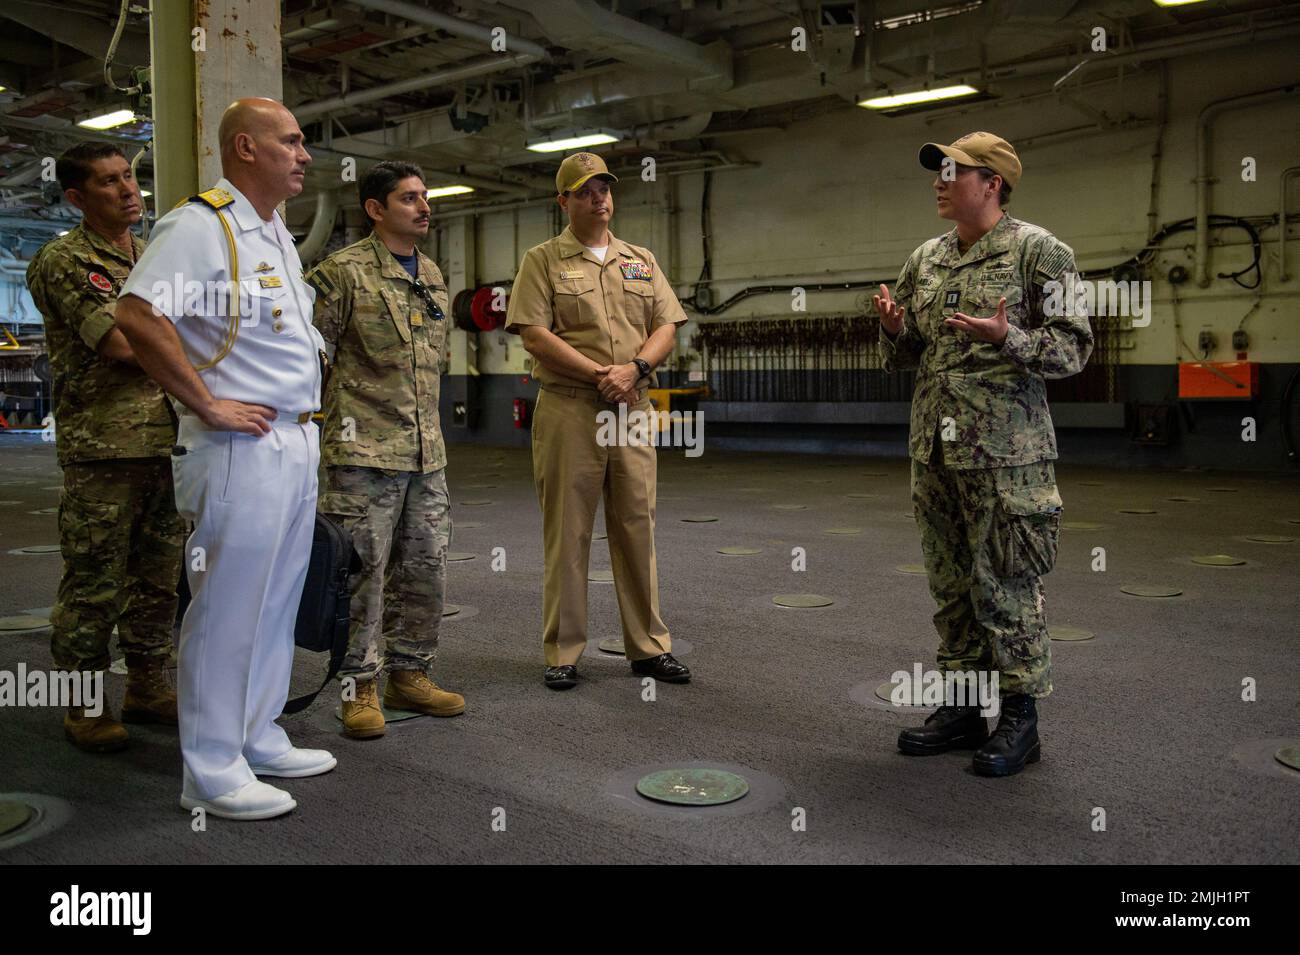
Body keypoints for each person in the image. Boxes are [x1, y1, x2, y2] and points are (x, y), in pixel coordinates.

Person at [115, 98, 335, 819]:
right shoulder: (202, 226)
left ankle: (257, 731)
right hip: (240, 444)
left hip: (296, 440)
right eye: (291, 142)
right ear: (246, 147)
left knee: (274, 602)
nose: (303, 155)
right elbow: (138, 313)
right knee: (228, 608)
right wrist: (204, 403)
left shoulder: (273, 232)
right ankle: (209, 771)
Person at [874, 131, 1093, 777]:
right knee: (951, 587)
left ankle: (1020, 717)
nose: (940, 182)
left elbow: (1074, 348)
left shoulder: (1040, 253)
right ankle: (965, 709)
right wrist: (893, 330)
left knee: (1006, 586)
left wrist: (1010, 337)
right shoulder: (926, 257)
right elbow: (909, 352)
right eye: (938, 172)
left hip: (1007, 456)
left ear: (992, 182)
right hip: (936, 454)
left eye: (953, 171)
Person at [505, 151, 690, 690]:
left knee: (637, 525)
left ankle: (649, 648)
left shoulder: (641, 260)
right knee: (569, 529)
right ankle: (563, 651)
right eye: (585, 190)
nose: (599, 197)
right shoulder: (542, 261)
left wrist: (633, 370)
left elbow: (667, 326)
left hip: (631, 407)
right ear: (563, 201)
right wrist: (600, 375)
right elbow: (535, 333)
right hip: (570, 407)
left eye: (604, 187)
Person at [26, 142, 182, 752]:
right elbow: (119, 342)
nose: (127, 190)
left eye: (130, 177)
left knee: (159, 579)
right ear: (76, 197)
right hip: (104, 450)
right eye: (109, 182)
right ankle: (85, 704)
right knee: (95, 582)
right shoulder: (63, 260)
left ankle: (146, 685)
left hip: (168, 443)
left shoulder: (151, 257)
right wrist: (181, 338)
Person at [307, 161, 464, 739]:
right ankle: (358, 686)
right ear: (375, 209)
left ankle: (410, 673)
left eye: (425, 196)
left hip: (427, 456)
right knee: (362, 575)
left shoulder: (431, 274)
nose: (424, 207)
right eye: (408, 199)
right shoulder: (340, 274)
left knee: (426, 570)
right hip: (361, 455)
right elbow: (309, 361)